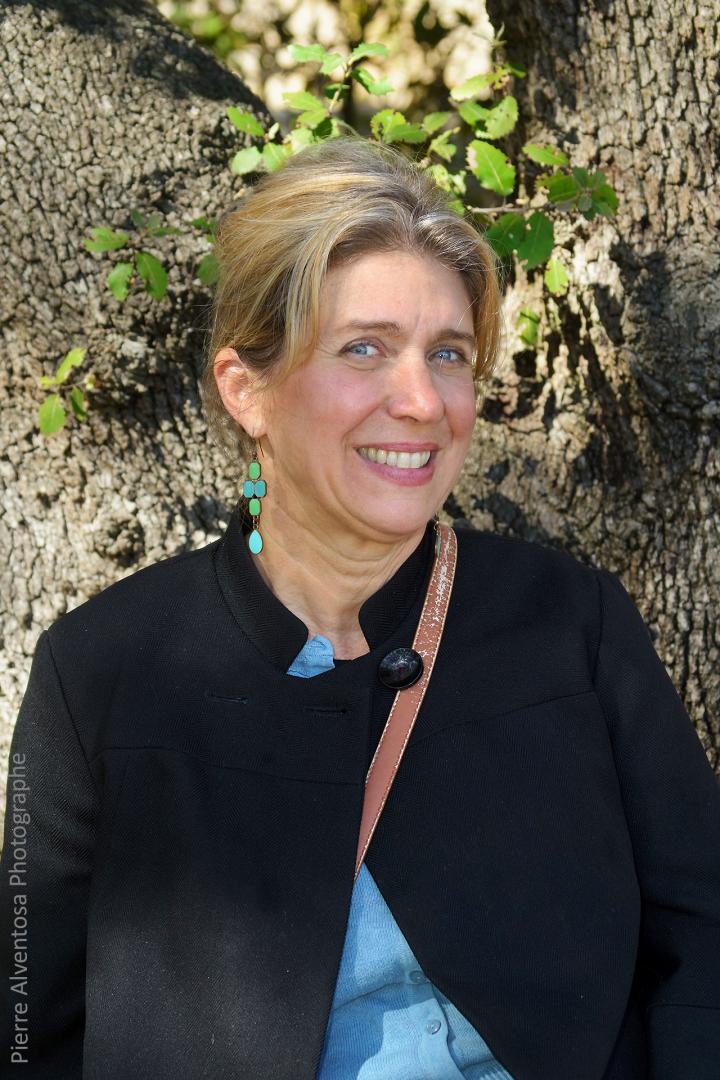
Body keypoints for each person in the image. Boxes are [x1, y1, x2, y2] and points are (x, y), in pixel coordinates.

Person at [1, 137, 719, 1080]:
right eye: (364, 349)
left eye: (447, 354)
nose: (421, 401)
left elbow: (705, 935)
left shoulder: (571, 623)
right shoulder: (99, 672)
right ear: (246, 390)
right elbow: (29, 1027)